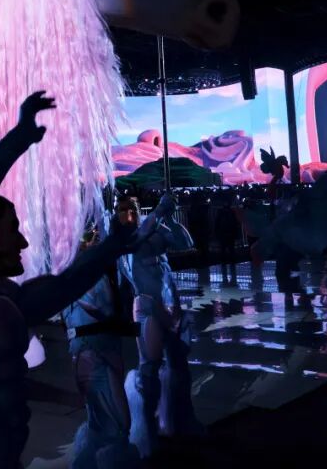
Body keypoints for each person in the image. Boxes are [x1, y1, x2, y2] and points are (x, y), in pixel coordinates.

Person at [0, 92, 141, 468]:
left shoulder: (4, 300)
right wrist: (18, 138)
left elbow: (64, 286)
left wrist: (113, 245)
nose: (22, 242)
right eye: (11, 229)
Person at [119, 195, 203, 458]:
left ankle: (179, 421)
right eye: (122, 209)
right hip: (148, 306)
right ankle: (146, 433)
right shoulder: (125, 239)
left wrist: (169, 218)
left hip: (171, 304)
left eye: (132, 208)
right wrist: (158, 211)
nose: (128, 214)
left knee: (179, 365)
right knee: (149, 370)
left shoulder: (153, 229)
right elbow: (137, 238)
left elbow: (185, 242)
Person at [62, 225, 140, 469]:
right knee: (116, 423)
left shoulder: (94, 271)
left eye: (98, 233)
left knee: (108, 422)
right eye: (90, 234)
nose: (97, 238)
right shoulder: (80, 274)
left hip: (102, 347)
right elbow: (104, 307)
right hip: (91, 351)